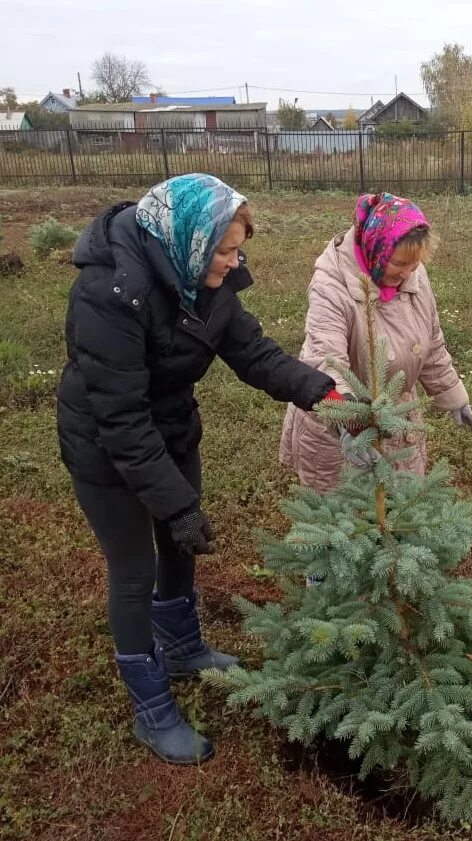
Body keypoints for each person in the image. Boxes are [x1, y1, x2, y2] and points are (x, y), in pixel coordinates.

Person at [57, 174, 342, 764]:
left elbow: (253, 353)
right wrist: (176, 503)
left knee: (181, 546)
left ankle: (183, 647)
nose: (234, 262)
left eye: (239, 249)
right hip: (107, 448)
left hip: (172, 429)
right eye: (225, 251)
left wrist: (322, 392)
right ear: (185, 239)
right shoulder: (110, 292)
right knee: (135, 569)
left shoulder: (208, 281)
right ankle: (151, 707)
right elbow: (122, 419)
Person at [280, 192, 472, 493]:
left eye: (414, 264)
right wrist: (349, 422)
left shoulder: (413, 275)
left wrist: (452, 395)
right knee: (347, 526)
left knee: (396, 520)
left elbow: (432, 343)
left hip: (398, 418)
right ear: (377, 248)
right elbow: (324, 363)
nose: (409, 273)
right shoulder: (331, 286)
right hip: (342, 429)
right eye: (399, 264)